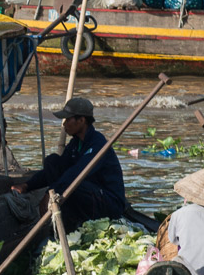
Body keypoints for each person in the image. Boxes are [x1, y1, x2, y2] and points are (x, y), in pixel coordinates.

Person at [18, 96, 125, 232]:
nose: (64, 124)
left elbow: (77, 173)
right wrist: (27, 185)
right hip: (89, 193)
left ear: (81, 120)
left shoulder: (98, 143)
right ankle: (65, 218)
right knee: (53, 161)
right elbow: (58, 168)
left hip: (109, 202)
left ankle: (69, 221)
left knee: (74, 183)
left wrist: (50, 194)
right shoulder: (75, 144)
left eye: (68, 119)